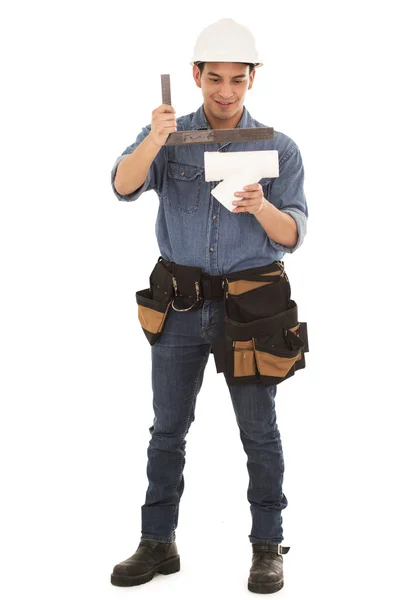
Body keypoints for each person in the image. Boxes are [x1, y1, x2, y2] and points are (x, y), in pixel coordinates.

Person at [109, 18, 308, 595]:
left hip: (252, 309)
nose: (225, 92)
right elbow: (122, 186)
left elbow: (293, 232)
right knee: (167, 430)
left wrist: (262, 209)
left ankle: (267, 545)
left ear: (252, 80)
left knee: (259, 432)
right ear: (195, 76)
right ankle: (157, 541)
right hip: (179, 304)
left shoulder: (279, 146)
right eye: (214, 79)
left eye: (237, 81)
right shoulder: (168, 137)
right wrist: (154, 138)